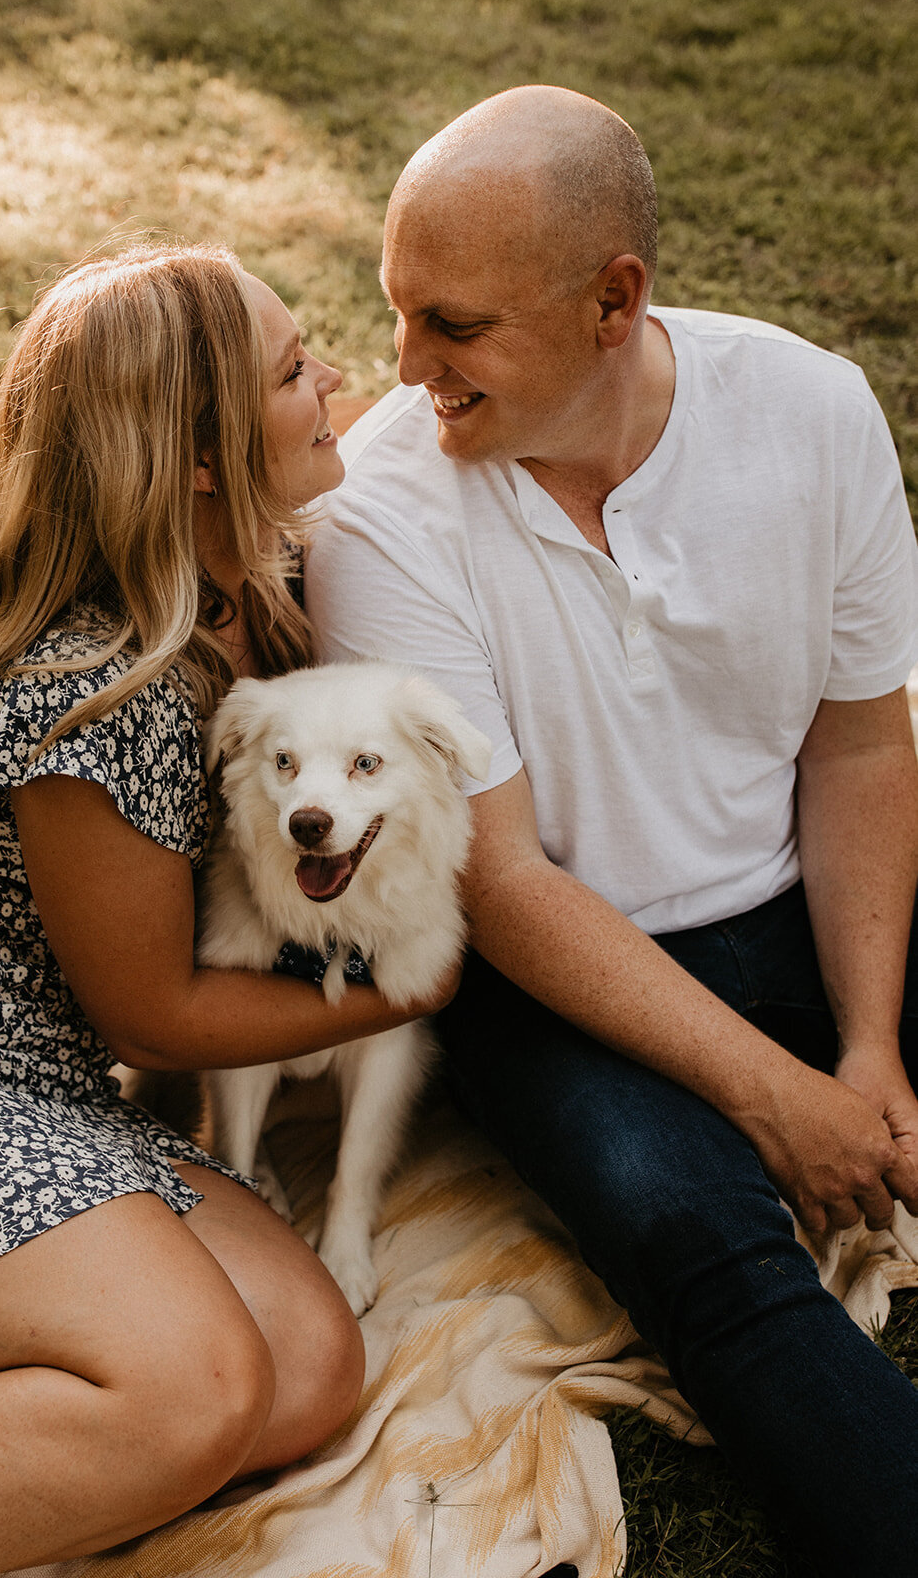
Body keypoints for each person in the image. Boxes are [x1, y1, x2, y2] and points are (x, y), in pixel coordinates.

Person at [305, 85, 918, 1573]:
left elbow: (859, 746)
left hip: (803, 889)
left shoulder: (811, 408)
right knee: (698, 1246)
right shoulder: (377, 516)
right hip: (561, 971)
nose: (405, 369)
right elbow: (500, 879)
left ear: (612, 300)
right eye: (398, 315)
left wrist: (871, 1045)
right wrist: (781, 1100)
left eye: (452, 326)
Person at [0, 241, 453, 1578]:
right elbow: (156, 1015)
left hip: (46, 1087)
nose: (336, 380)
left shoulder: (258, 583)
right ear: (194, 456)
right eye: (296, 371)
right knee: (192, 1386)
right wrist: (412, 982)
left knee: (304, 1372)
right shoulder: (95, 698)